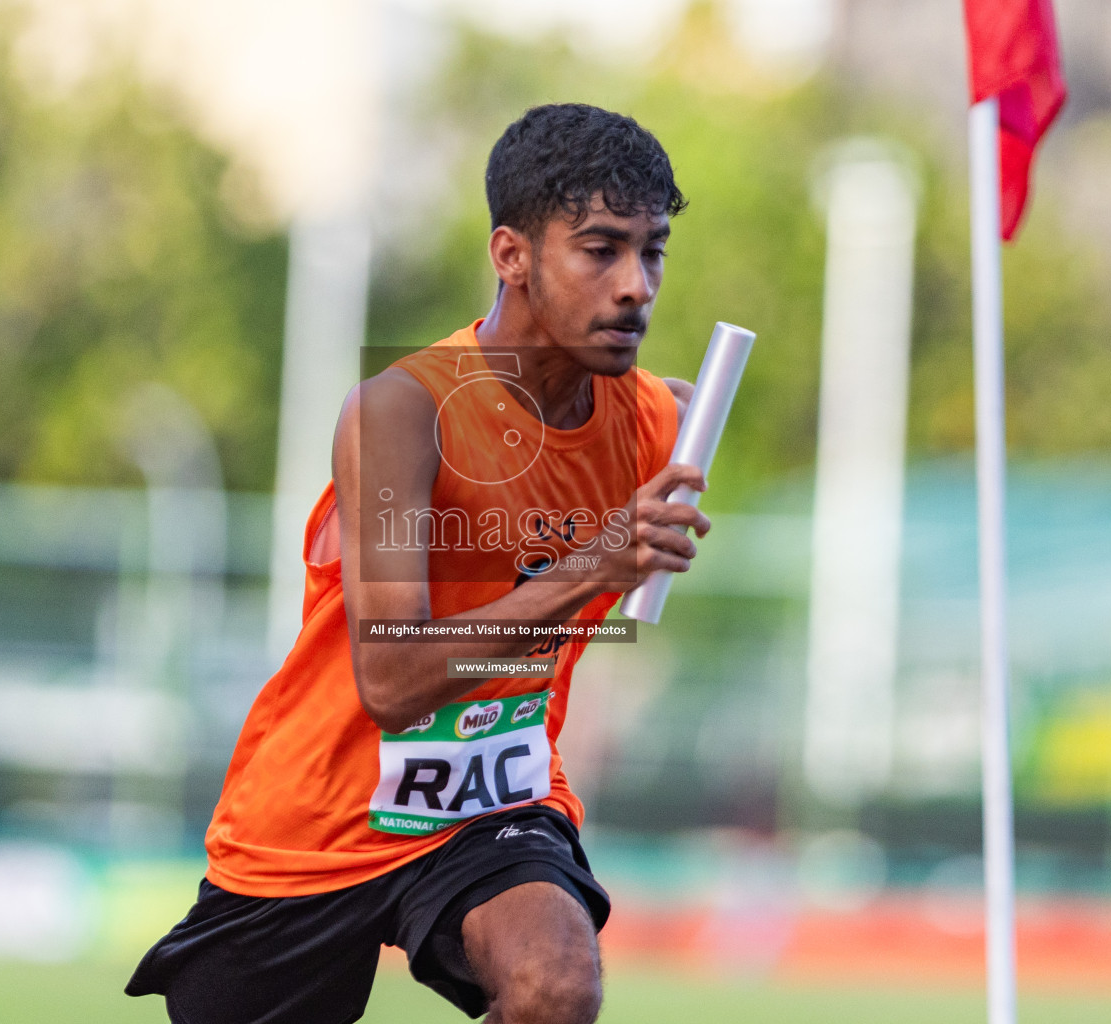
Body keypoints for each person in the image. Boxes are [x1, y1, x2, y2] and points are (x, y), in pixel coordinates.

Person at [127, 102, 710, 1024]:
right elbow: (393, 679)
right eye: (600, 250)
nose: (636, 285)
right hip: (316, 817)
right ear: (511, 255)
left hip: (492, 797)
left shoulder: (660, 425)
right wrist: (597, 564)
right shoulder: (401, 414)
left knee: (556, 984)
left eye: (654, 251)